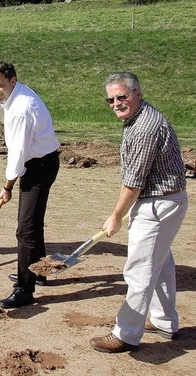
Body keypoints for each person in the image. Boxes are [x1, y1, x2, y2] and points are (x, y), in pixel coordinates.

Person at [90, 72, 188, 353]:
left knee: (139, 270)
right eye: (111, 99)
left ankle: (126, 333)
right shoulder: (137, 118)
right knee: (160, 266)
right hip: (164, 201)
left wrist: (116, 216)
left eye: (122, 96)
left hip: (158, 204)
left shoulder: (145, 127)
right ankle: (164, 321)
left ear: (137, 93)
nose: (116, 103)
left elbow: (133, 183)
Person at [0, 61, 60, 308]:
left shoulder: (20, 108)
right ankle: (38, 272)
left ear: (13, 81)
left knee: (25, 229)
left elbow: (16, 156)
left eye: (0, 85)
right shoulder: (17, 97)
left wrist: (7, 186)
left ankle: (24, 289)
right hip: (40, 163)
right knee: (32, 223)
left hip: (39, 167)